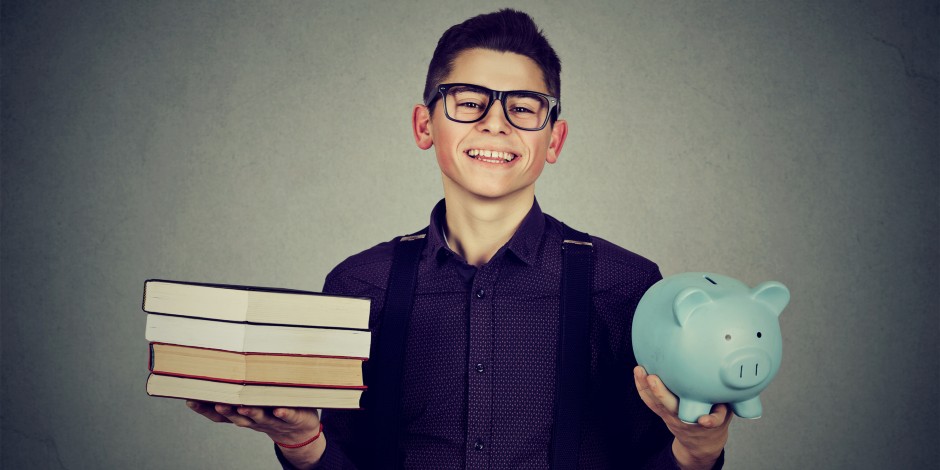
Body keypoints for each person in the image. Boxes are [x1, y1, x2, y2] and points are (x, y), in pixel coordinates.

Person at [187, 9, 731, 469]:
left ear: (553, 139)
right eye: (469, 101)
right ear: (425, 126)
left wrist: (699, 450)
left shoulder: (626, 285)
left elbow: (660, 458)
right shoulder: (358, 284)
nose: (496, 123)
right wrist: (298, 438)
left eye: (522, 107)